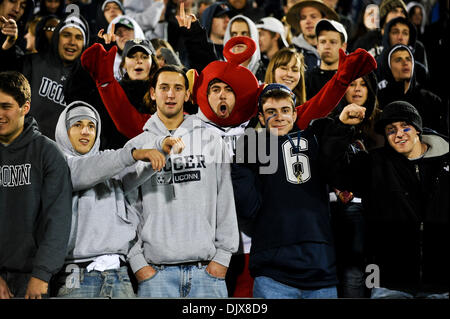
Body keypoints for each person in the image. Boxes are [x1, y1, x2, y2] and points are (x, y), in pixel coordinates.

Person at [231, 83, 368, 299]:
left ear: (295, 114)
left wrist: (340, 127)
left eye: (285, 110)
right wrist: (242, 159)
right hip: (273, 273)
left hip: (321, 269)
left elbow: (339, 172)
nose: (279, 117)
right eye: (271, 112)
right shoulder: (251, 147)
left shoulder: (315, 139)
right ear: (260, 117)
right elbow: (247, 208)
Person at [126, 65, 240, 298]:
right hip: (155, 275)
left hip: (207, 273)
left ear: (187, 95)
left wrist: (223, 258)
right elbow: (127, 210)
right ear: (152, 93)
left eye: (178, 88)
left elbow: (226, 201)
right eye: (164, 88)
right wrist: (138, 265)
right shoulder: (137, 147)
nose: (170, 94)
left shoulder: (211, 140)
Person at [325, 101, 449, 299]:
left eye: (405, 126)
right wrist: (342, 126)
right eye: (391, 130)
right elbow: (333, 169)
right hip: (388, 283)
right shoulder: (373, 165)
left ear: (417, 129)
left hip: (442, 284)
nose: (399, 134)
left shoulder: (445, 163)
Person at [52, 100, 165, 298]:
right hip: (76, 275)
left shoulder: (110, 165)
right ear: (64, 130)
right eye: (77, 125)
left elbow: (135, 170)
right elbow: (86, 171)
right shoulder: (56, 166)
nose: (85, 132)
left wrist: (163, 148)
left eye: (91, 126)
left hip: (118, 274)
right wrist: (134, 154)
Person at [0, 71, 72, 299]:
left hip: (33, 279)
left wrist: (41, 275)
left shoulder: (48, 153)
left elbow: (58, 220)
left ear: (25, 107)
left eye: (6, 106)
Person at [81, 38, 159, 141]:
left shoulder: (162, 93)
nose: (139, 61)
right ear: (123, 64)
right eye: (132, 57)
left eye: (144, 57)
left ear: (152, 64)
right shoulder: (108, 89)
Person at [377, 44, 447, 135]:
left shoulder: (431, 100)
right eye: (398, 60)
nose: (405, 63)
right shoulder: (379, 100)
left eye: (408, 59)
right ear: (387, 66)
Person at [286, 0, 339, 70]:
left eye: (313, 17)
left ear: (324, 20)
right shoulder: (289, 52)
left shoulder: (337, 50)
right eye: (303, 18)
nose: (308, 21)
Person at [305, 18, 347, 99]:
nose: (327, 46)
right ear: (317, 46)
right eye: (323, 42)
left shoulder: (353, 79)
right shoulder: (307, 79)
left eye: (333, 42)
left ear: (343, 47)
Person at [223, 14, 265, 81]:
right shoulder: (222, 72)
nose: (238, 38)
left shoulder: (265, 73)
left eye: (244, 33)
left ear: (252, 36)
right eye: (234, 34)